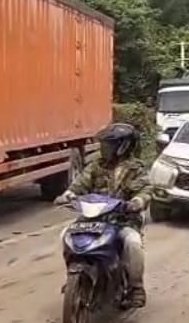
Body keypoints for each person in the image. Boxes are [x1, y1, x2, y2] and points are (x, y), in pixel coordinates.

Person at [53, 122, 152, 307]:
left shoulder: (136, 169)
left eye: (109, 144)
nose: (104, 148)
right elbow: (78, 185)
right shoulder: (95, 166)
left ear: (123, 146)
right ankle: (75, 276)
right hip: (93, 218)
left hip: (123, 220)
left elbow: (146, 190)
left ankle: (135, 287)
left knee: (132, 243)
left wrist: (137, 202)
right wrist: (68, 195)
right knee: (66, 235)